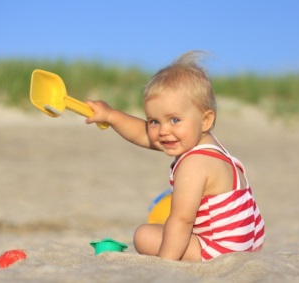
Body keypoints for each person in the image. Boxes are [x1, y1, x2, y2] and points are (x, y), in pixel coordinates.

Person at [85, 50, 265, 261]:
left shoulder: (194, 164)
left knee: (144, 235)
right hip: (250, 242)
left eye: (174, 120)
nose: (163, 131)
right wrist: (111, 116)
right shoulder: (208, 145)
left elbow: (182, 220)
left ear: (205, 120)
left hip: (219, 252)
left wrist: (165, 265)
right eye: (154, 121)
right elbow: (143, 134)